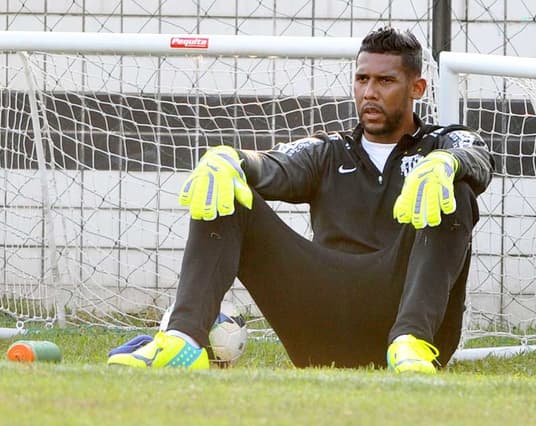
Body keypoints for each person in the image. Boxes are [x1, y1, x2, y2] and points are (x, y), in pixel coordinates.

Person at [107, 27, 494, 373]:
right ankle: (184, 340)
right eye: (362, 79)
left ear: (417, 88)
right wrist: (232, 159)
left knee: (453, 186)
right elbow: (271, 165)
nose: (370, 92)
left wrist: (446, 163)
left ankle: (411, 343)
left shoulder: (442, 143)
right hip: (323, 322)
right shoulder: (328, 152)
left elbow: (477, 156)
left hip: (407, 322)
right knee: (226, 184)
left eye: (385, 81)